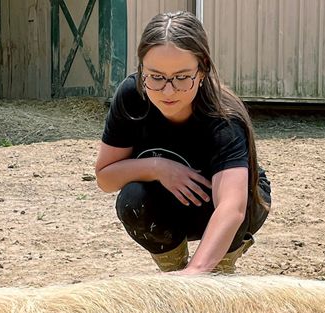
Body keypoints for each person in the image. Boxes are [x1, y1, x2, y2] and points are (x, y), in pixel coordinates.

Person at [93, 11, 271, 274]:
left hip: (226, 209)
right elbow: (105, 178)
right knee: (132, 199)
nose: (168, 90)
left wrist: (194, 274)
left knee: (241, 199)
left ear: (203, 70)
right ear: (141, 68)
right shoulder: (131, 96)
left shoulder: (223, 117)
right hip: (169, 207)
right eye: (155, 76)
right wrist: (157, 167)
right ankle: (173, 269)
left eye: (181, 77)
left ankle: (219, 268)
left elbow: (232, 207)